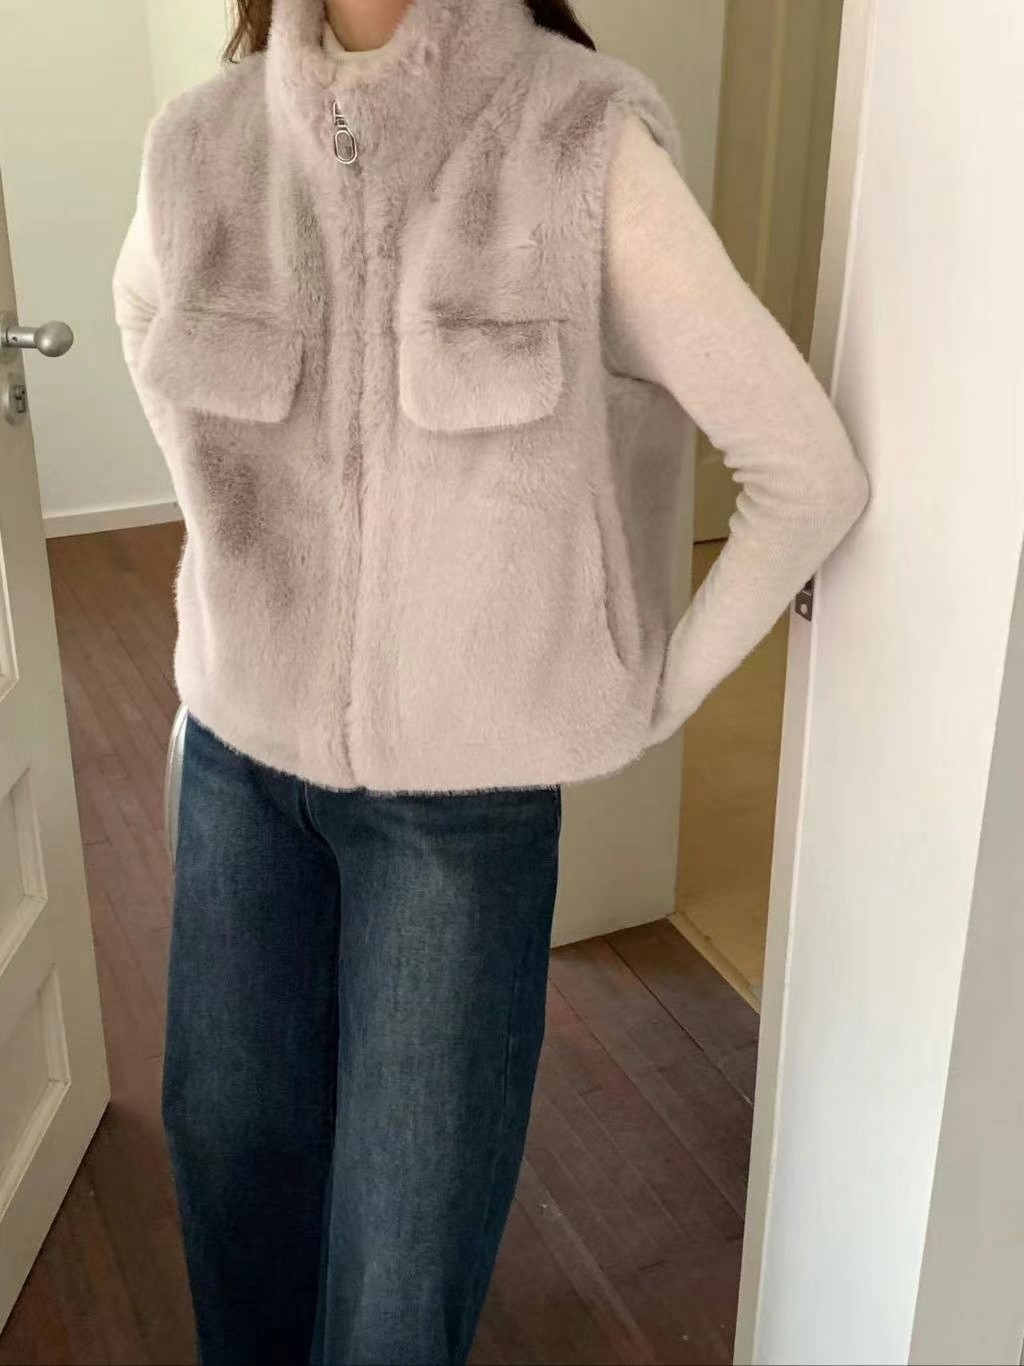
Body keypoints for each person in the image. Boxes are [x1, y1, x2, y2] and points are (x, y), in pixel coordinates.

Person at [113, 0, 869, 1362]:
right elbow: (137, 315)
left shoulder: (579, 141)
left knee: (406, 1255)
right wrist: (230, 528)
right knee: (230, 1163)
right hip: (238, 762)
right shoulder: (204, 142)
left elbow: (805, 472)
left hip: (459, 820)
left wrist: (647, 690)